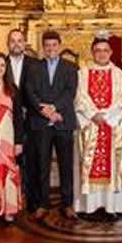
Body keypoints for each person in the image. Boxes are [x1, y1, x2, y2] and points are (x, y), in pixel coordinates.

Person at [73, 37, 122, 216]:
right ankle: (89, 207)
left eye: (105, 50)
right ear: (92, 52)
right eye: (98, 50)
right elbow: (79, 97)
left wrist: (108, 117)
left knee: (112, 165)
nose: (101, 54)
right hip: (90, 125)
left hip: (112, 126)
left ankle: (112, 207)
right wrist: (93, 114)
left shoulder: (119, 75)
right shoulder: (82, 74)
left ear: (111, 52)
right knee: (89, 164)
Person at [25, 31, 79, 220]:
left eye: (54, 45)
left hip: (63, 121)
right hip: (40, 122)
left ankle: (68, 203)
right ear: (43, 47)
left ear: (59, 46)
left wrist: (55, 108)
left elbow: (70, 92)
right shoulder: (33, 67)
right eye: (47, 45)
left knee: (66, 165)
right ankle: (42, 204)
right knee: (42, 165)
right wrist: (45, 111)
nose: (50, 48)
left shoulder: (71, 68)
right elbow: (29, 91)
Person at [0, 53, 24, 223]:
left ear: (6, 69)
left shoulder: (12, 89)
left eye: (2, 65)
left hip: (8, 137)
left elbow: (19, 118)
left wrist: (19, 142)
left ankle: (8, 209)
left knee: (7, 172)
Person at [7, 29, 39, 213]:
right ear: (8, 44)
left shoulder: (35, 64)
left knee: (32, 161)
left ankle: (32, 200)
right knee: (11, 161)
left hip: (32, 119)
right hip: (7, 120)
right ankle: (12, 199)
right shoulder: (1, 63)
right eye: (13, 41)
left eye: (19, 41)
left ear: (24, 43)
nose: (16, 44)